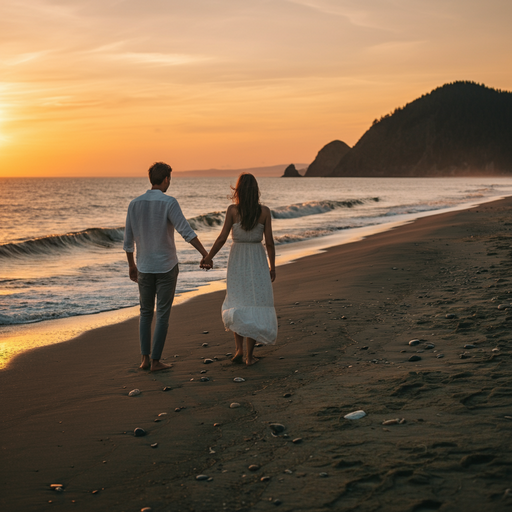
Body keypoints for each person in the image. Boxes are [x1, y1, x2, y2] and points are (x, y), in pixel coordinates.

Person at [124, 162, 211, 372]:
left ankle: (144, 360)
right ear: (165, 180)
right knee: (162, 313)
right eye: (169, 179)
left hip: (144, 266)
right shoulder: (169, 202)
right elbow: (186, 231)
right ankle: (155, 362)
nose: (169, 183)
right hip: (166, 267)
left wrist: (132, 265)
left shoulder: (134, 204)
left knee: (145, 313)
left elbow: (128, 240)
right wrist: (205, 254)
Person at [201, 173, 277, 365]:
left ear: (239, 191)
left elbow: (222, 237)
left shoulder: (233, 211)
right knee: (254, 302)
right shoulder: (265, 212)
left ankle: (238, 350)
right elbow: (269, 243)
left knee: (237, 302)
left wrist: (209, 257)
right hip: (257, 261)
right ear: (256, 191)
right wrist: (272, 266)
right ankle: (249, 356)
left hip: (237, 262)